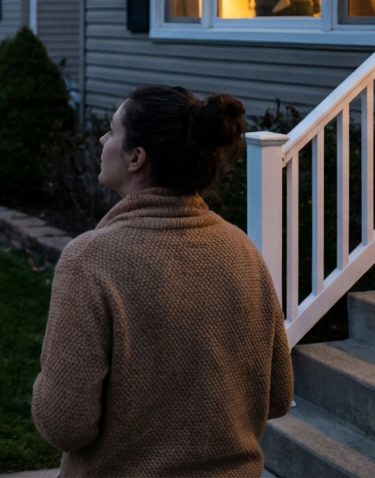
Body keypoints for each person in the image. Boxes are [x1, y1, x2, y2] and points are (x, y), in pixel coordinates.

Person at [32, 86, 293, 477]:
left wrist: (48, 384)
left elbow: (66, 424)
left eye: (111, 131)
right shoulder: (242, 251)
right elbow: (277, 396)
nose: (102, 141)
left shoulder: (89, 261)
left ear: (137, 157)